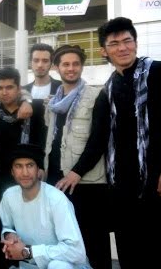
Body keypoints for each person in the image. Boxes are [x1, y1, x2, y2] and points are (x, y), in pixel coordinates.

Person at [66, 17, 161, 268]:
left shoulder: (157, 73)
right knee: (128, 249)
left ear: (136, 44)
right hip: (121, 185)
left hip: (155, 180)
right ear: (104, 51)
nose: (122, 48)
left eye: (127, 41)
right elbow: (98, 138)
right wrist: (76, 172)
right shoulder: (107, 90)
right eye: (114, 43)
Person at [44, 45, 110, 268]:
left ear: (81, 66)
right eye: (65, 64)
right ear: (57, 67)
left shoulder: (96, 96)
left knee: (94, 242)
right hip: (57, 181)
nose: (71, 69)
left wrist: (77, 172)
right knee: (66, 241)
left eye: (75, 64)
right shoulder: (53, 102)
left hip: (88, 181)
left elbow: (99, 140)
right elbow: (51, 141)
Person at [0, 144, 89, 269]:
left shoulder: (56, 199)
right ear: (12, 172)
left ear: (38, 170)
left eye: (30, 165)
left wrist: (28, 251)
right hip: (29, 266)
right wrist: (9, 234)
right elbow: (3, 226)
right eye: (18, 166)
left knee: (57, 266)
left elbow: (76, 252)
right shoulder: (9, 196)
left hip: (66, 265)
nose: (25, 173)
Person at [0, 67, 46, 200]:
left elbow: (42, 140)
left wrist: (41, 166)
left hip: (28, 175)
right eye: (0, 88)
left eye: (9, 87)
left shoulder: (35, 109)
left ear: (19, 88)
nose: (4, 92)